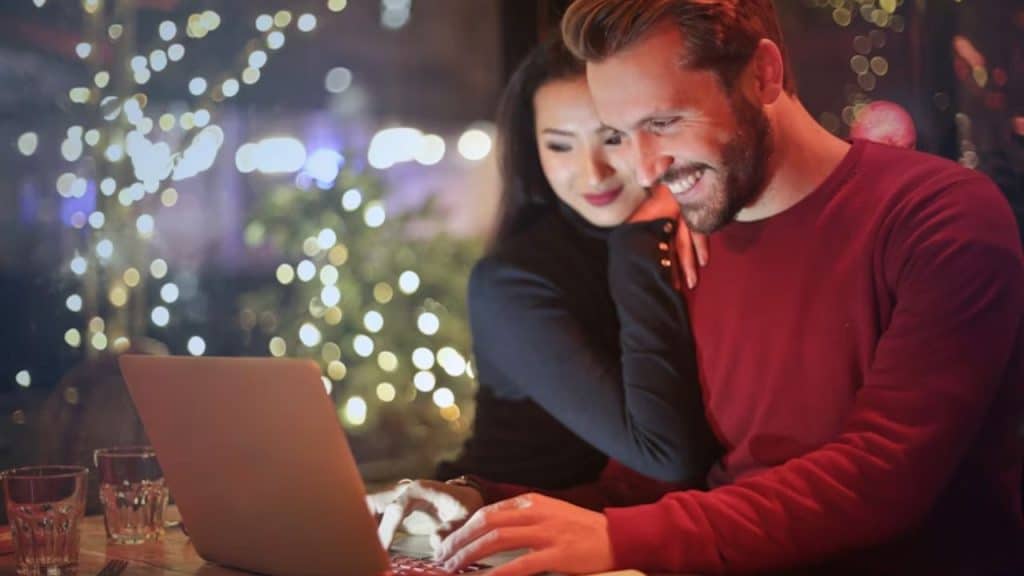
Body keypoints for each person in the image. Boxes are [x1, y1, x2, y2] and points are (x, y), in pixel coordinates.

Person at [377, 2, 1024, 575]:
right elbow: (653, 488)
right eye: (620, 132)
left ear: (764, 75)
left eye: (663, 121)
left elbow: (884, 476)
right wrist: (478, 509)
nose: (642, 167)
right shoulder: (691, 236)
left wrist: (617, 537)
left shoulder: (940, 217)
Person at [368, 37, 720, 546]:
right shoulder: (514, 281)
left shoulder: (693, 234)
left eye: (612, 139)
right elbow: (666, 456)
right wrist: (642, 237)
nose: (591, 172)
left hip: (594, 534)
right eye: (559, 144)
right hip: (488, 532)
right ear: (533, 150)